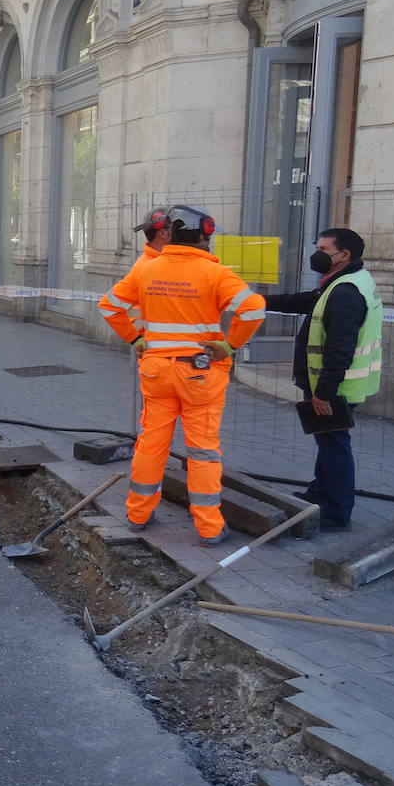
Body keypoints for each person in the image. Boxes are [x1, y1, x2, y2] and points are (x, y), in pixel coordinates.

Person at [98, 205, 265, 546]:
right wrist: (230, 345)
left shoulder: (147, 268)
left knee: (151, 444)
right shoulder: (216, 274)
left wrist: (136, 339)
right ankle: (208, 528)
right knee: (202, 451)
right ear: (205, 237)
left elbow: (109, 305)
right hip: (200, 374)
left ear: (170, 234)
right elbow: (254, 309)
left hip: (157, 370)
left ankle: (138, 514)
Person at [262, 228, 381, 533]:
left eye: (325, 249)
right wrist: (259, 301)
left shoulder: (345, 292)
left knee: (334, 445)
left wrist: (324, 393)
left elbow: (340, 349)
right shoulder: (343, 282)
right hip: (331, 385)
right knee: (327, 442)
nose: (318, 254)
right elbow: (304, 301)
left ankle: (337, 512)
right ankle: (319, 494)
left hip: (334, 388)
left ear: (345, 255)